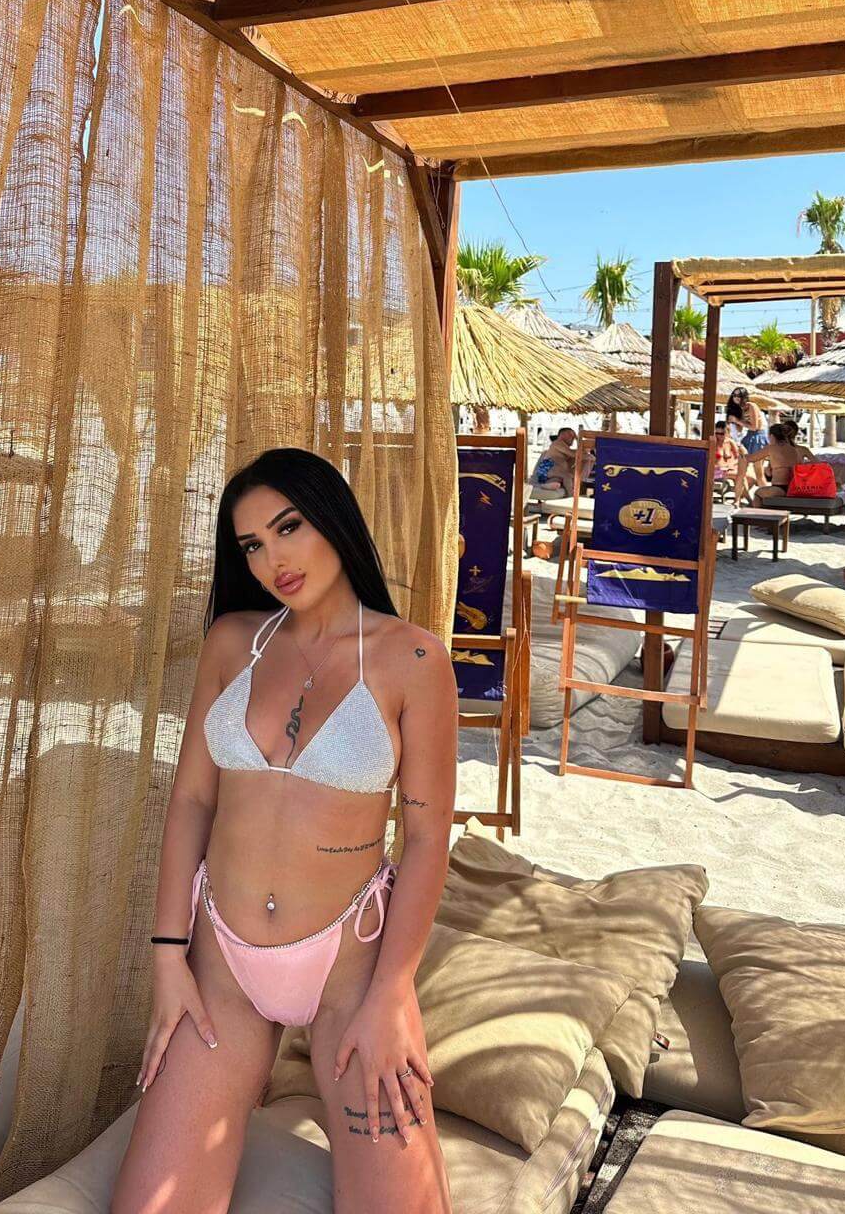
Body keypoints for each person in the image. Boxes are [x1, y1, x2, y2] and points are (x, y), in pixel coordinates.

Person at [113, 447, 456, 1214]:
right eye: (252, 545)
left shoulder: (413, 657)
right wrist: (168, 957)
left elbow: (428, 838)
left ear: (332, 517)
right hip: (221, 967)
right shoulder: (233, 641)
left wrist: (392, 991)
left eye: (289, 527)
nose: (274, 559)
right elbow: (191, 802)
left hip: (348, 970)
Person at [736, 423, 808, 505]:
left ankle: (757, 512)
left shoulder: (771, 448)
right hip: (794, 488)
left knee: (758, 493)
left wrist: (742, 451)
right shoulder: (794, 449)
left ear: (772, 436)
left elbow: (750, 458)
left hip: (780, 488)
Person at [530, 426, 592, 497]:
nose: (572, 437)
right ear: (562, 435)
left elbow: (584, 451)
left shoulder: (565, 448)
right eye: (570, 435)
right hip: (546, 468)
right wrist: (578, 438)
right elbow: (573, 454)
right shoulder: (557, 443)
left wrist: (586, 454)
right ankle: (571, 496)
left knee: (558, 480)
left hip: (553, 473)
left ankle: (546, 485)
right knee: (567, 476)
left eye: (573, 436)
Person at [726, 386, 767, 454]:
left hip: (758, 435)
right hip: (749, 434)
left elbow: (754, 427)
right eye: (734, 395)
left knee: (754, 459)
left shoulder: (751, 406)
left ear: (744, 397)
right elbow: (740, 429)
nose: (736, 397)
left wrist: (737, 421)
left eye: (739, 395)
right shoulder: (739, 409)